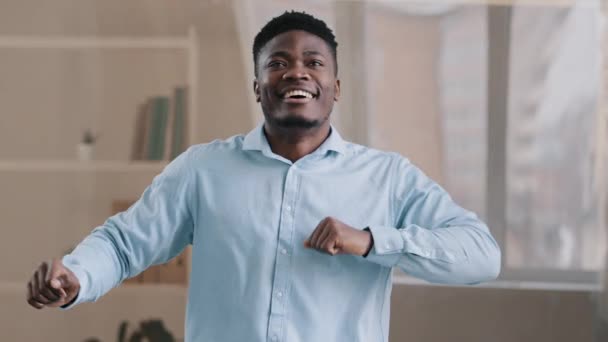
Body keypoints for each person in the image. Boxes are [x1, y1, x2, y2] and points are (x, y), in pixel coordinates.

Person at [26, 11, 500, 342]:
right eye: (278, 62)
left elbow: (480, 256)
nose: (297, 72)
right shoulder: (203, 169)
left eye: (314, 62)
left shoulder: (387, 177)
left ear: (336, 87)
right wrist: (78, 276)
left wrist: (373, 242)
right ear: (257, 87)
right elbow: (125, 243)